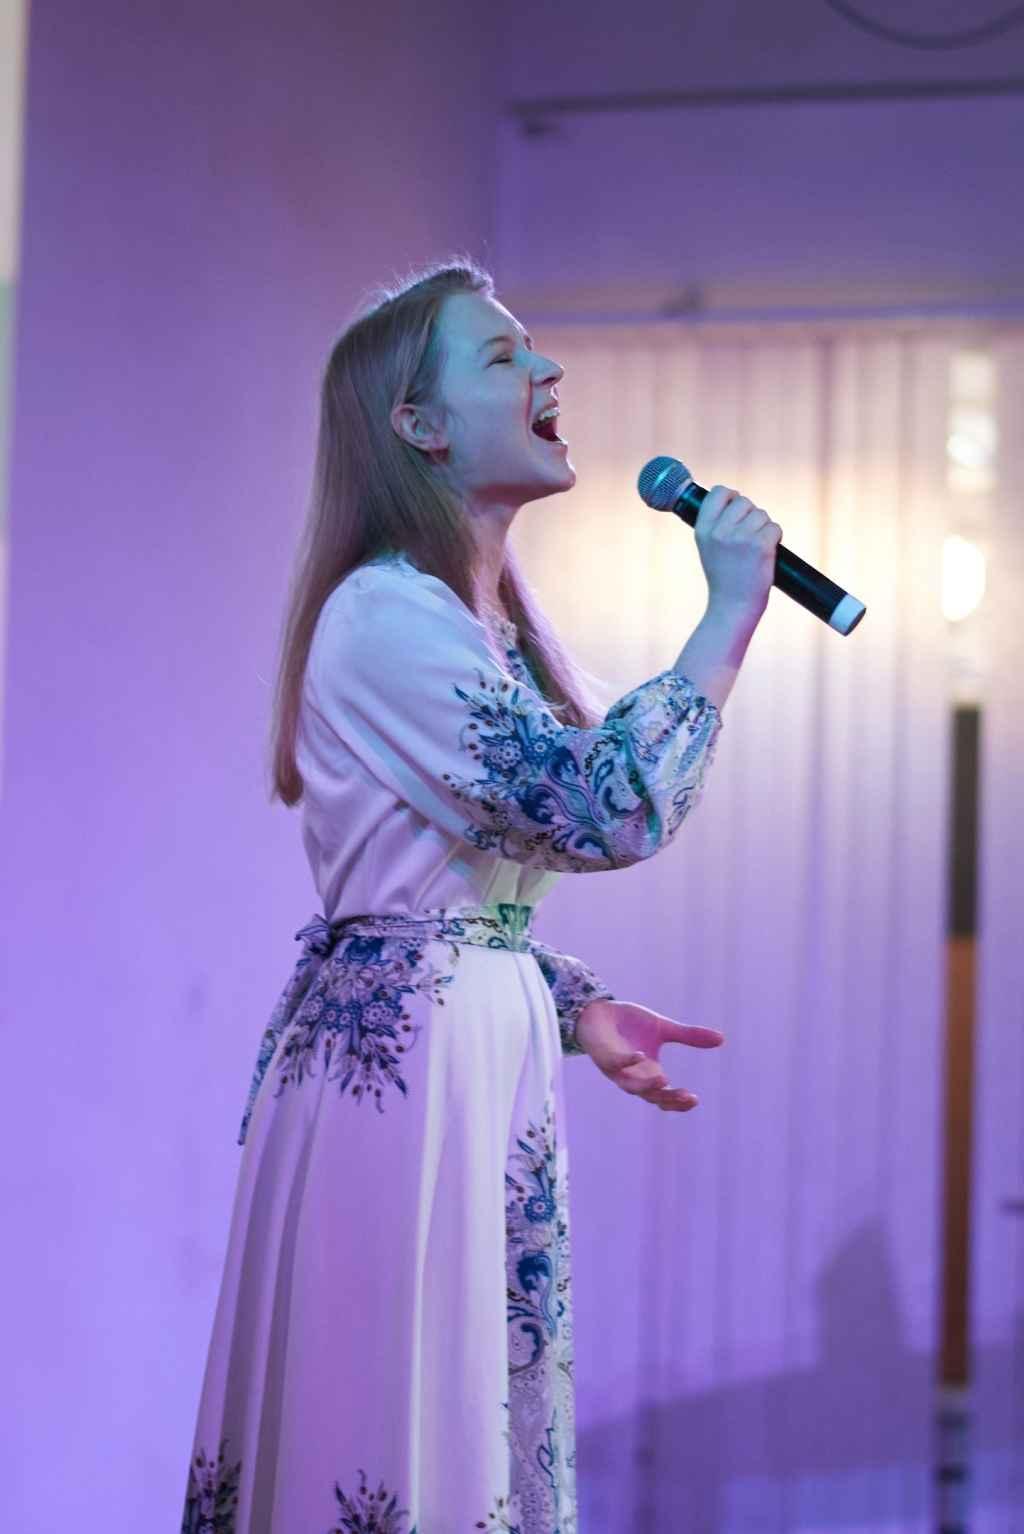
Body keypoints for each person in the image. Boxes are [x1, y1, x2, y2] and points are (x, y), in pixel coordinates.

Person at [180, 256, 782, 1534]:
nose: (547, 369)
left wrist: (568, 1003)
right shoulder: (385, 615)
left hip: (467, 1055)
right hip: (404, 1083)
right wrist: (725, 618)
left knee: (466, 1416)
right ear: (418, 424)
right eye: (504, 356)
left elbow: (449, 890)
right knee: (387, 1414)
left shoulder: (476, 626)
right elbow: (605, 808)